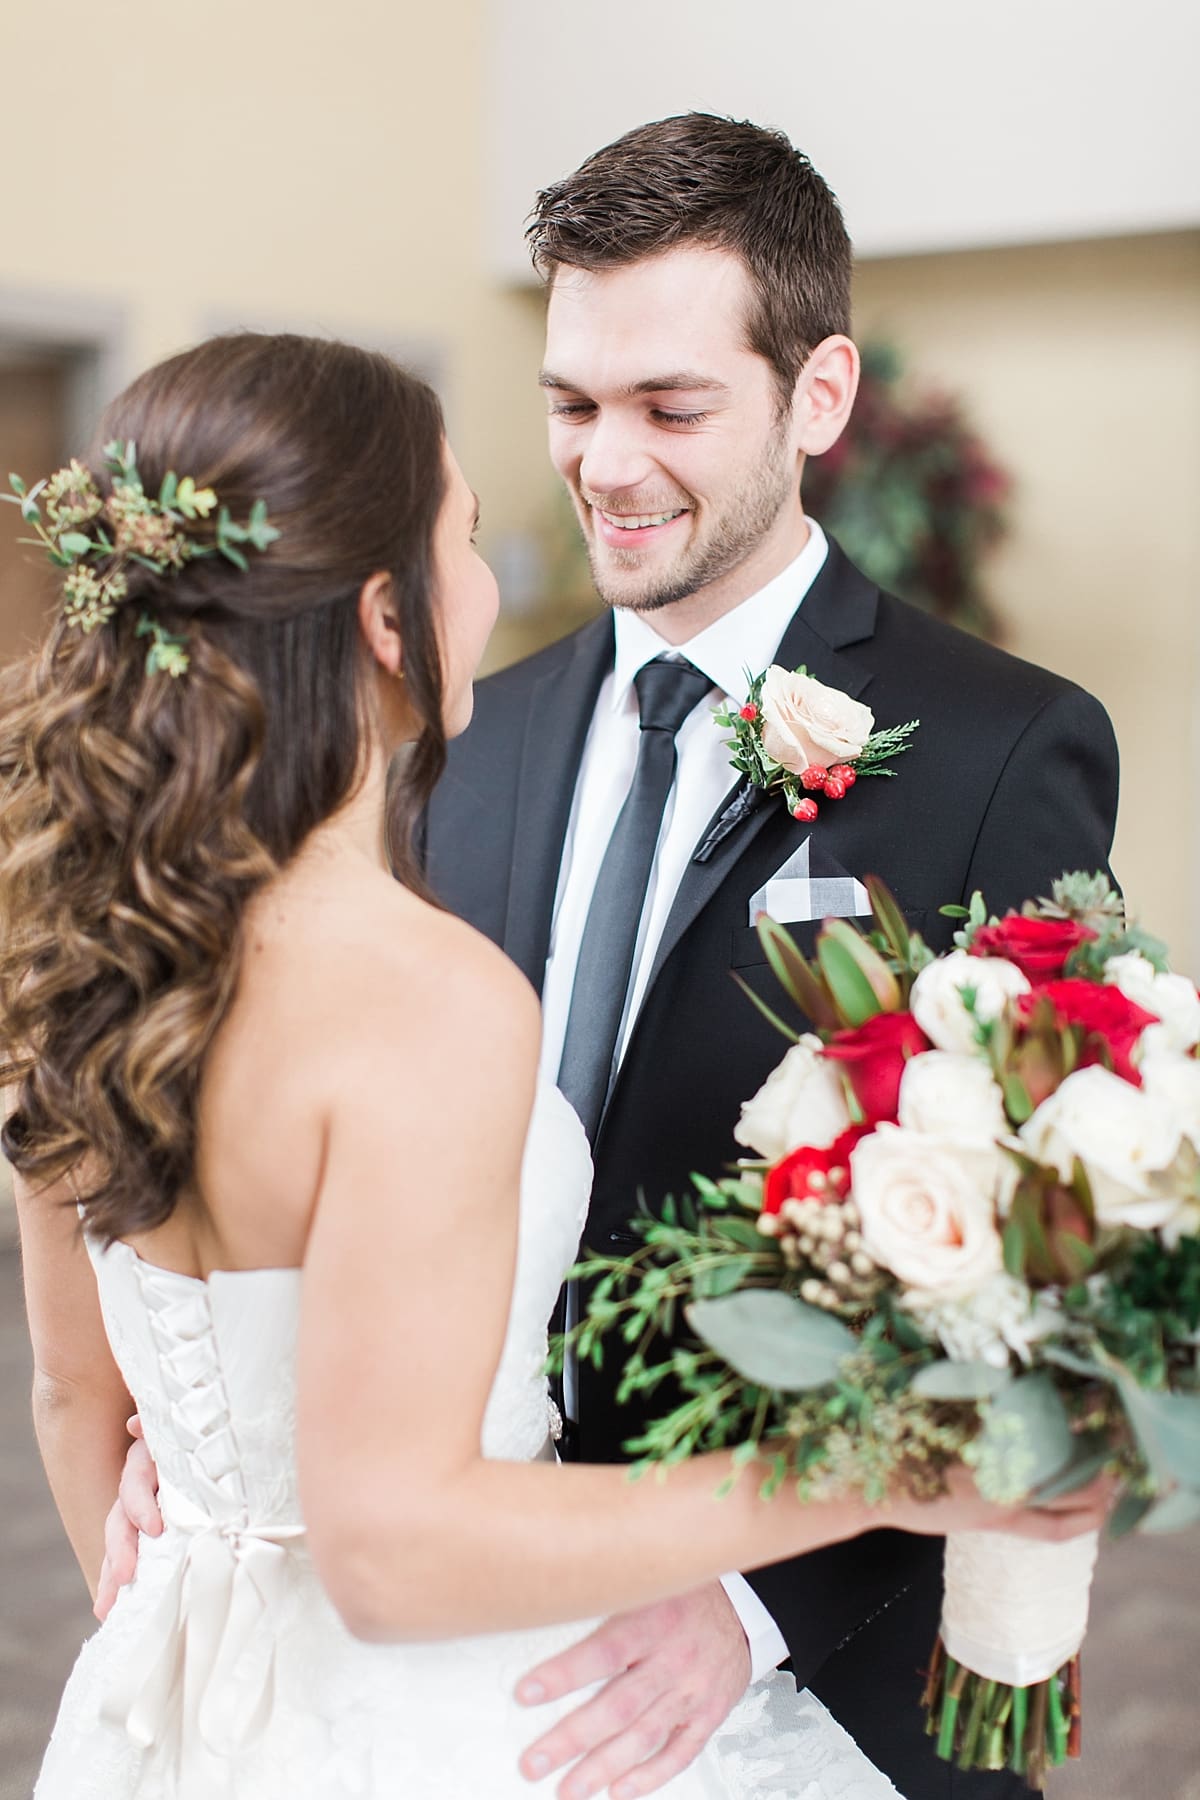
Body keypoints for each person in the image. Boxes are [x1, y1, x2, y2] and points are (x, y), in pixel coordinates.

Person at [0, 332, 1106, 1800]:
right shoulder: (425, 992)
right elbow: (392, 1548)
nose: (496, 583)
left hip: (174, 1708)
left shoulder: (76, 959)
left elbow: (79, 1402)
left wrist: (205, 1669)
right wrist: (891, 1469)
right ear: (388, 617)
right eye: (464, 536)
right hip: (462, 1722)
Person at [418, 114, 1122, 1800]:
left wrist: (755, 1601)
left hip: (822, 1687)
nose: (605, 461)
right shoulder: (472, 739)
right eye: (574, 405)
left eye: (671, 408)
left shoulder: (997, 747)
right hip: (479, 1628)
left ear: (817, 398)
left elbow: (1047, 1268)